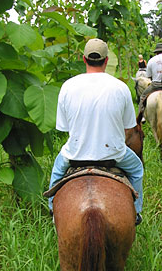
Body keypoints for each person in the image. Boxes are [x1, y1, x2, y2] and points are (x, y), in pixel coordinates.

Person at [48, 38, 143, 225]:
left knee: (56, 173)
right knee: (137, 169)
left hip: (74, 154)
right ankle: (136, 212)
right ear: (106, 61)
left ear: (84, 59)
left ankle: (52, 211)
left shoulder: (68, 86)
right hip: (114, 154)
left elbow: (64, 127)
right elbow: (129, 127)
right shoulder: (120, 87)